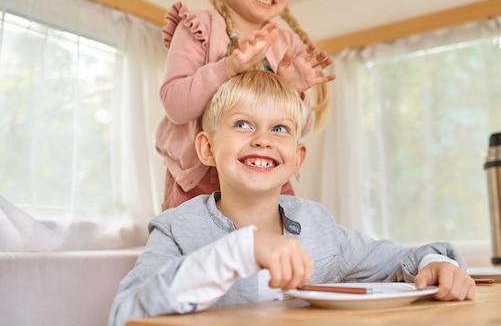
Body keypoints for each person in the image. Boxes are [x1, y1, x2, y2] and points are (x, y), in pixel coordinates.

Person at [109, 70, 476, 326]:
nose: (263, 140)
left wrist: (436, 263)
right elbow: (124, 313)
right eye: (242, 124)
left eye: (280, 128)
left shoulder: (320, 229)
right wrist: (239, 251)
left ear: (297, 159)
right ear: (206, 148)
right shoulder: (176, 228)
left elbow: (398, 260)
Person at [156, 0, 335, 210]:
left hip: (267, 173)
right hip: (199, 181)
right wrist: (228, 67)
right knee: (194, 253)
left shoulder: (287, 45)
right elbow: (176, 106)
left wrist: (291, 90)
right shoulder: (196, 27)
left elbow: (299, 127)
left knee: (281, 249)